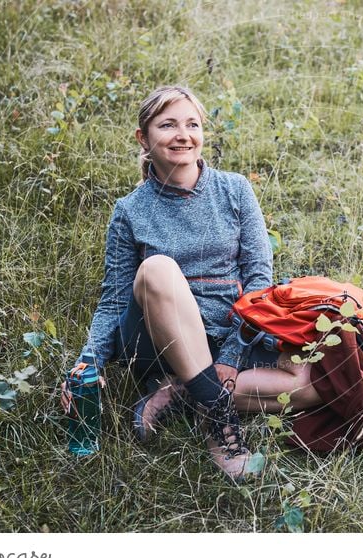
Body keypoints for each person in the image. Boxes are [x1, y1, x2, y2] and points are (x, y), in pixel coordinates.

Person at [62, 86, 322, 482]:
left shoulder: (235, 189)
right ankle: (221, 425)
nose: (183, 134)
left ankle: (180, 391)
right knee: (158, 269)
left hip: (227, 327)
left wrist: (233, 355)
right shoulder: (130, 210)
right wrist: (90, 360)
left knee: (314, 382)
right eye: (167, 125)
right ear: (143, 138)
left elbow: (258, 281)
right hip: (160, 338)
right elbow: (114, 300)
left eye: (192, 124)